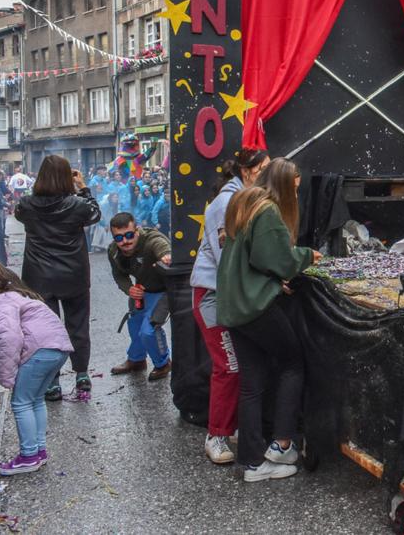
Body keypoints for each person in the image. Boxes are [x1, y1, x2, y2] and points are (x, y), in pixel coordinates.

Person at [217, 158, 321, 482]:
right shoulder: (268, 211)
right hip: (254, 306)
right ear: (286, 184)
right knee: (293, 362)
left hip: (233, 305)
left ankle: (251, 463)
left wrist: (274, 279)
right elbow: (274, 259)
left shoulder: (243, 201)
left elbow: (250, 259)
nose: (296, 193)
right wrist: (306, 256)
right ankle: (281, 444)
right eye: (295, 187)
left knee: (252, 382)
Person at [189, 148, 270, 465]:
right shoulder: (227, 203)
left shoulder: (242, 197)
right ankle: (216, 435)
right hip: (212, 294)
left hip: (227, 294)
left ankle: (230, 426)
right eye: (262, 168)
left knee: (239, 364)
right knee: (229, 365)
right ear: (248, 171)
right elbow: (229, 260)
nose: (265, 173)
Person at [15, 155, 101, 400]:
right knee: (78, 325)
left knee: (44, 330)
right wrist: (83, 187)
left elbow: (19, 215)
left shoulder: (26, 205)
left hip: (38, 276)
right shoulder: (77, 204)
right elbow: (95, 214)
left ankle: (52, 380)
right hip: (73, 273)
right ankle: (81, 373)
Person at [0, 263, 73, 476]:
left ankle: (29, 455)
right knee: (36, 399)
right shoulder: (23, 297)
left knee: (21, 402)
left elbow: (10, 337)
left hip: (38, 351)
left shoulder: (1, 302)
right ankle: (39, 449)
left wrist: (6, 375)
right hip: (58, 348)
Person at [107, 213, 172, 381]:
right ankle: (137, 360)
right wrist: (129, 289)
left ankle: (163, 363)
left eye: (129, 235)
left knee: (148, 330)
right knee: (135, 326)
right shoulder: (113, 250)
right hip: (142, 291)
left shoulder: (151, 240)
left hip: (165, 290)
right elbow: (119, 275)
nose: (125, 241)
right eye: (119, 237)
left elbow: (162, 246)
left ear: (136, 231)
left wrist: (166, 256)